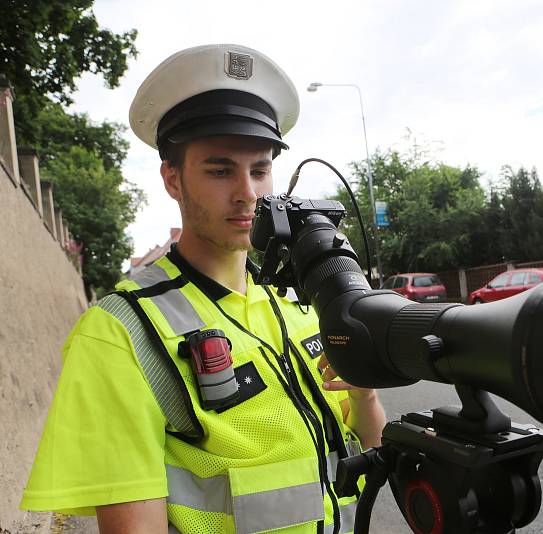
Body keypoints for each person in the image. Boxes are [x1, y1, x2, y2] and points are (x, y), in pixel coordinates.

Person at [20, 44, 386, 534]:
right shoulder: (119, 334)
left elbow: (373, 457)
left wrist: (365, 399)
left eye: (259, 170)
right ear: (172, 178)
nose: (248, 194)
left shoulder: (296, 302)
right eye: (219, 170)